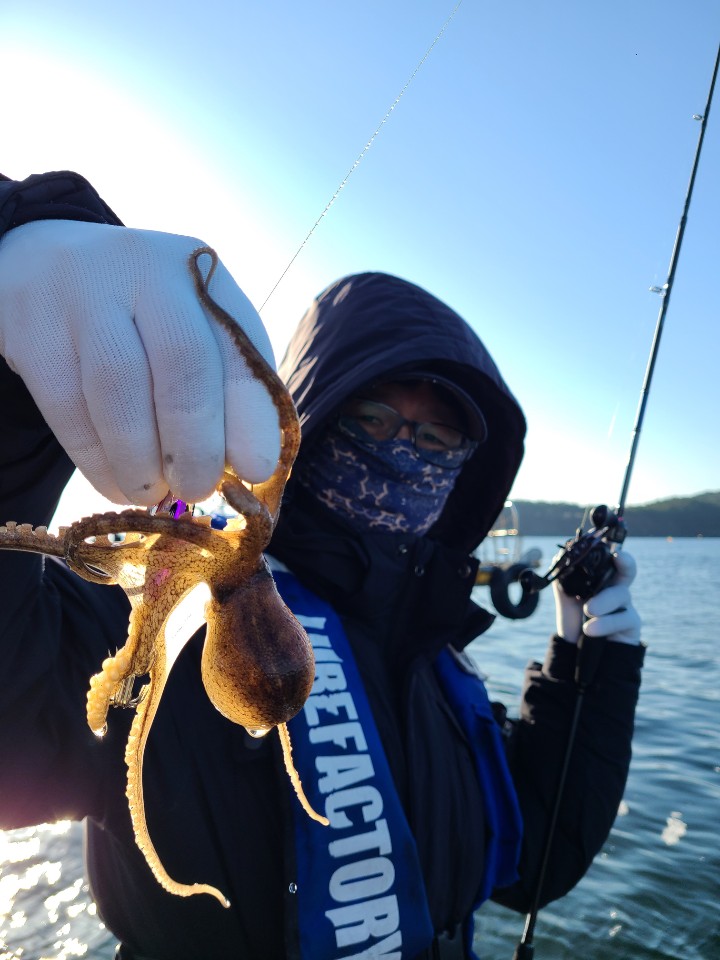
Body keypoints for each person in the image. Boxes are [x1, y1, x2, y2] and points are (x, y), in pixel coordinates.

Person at [0, 171, 644, 960]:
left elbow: (534, 859)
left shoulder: (438, 657)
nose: (403, 451)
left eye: (437, 438)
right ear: (308, 419)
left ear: (468, 469)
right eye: (371, 417)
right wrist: (15, 252)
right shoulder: (161, 618)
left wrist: (592, 664)